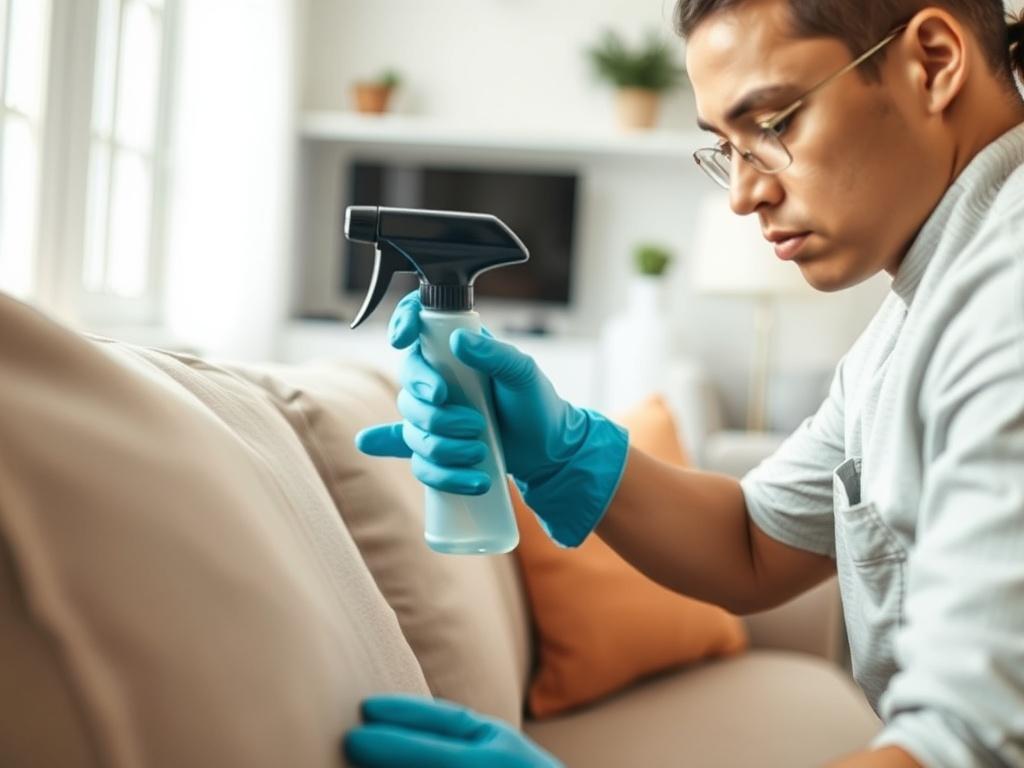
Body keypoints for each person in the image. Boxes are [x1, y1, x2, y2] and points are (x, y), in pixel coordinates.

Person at [343, 1, 1024, 765]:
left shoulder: (1007, 301)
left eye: (774, 124)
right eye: (723, 149)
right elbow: (754, 543)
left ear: (932, 60)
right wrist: (559, 448)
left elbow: (967, 748)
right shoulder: (915, 316)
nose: (742, 195)